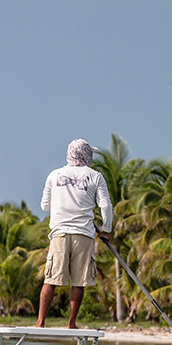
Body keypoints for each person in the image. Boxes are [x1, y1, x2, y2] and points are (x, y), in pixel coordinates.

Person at [37, 138, 114, 329]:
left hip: (59, 234)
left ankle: (40, 323)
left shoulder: (54, 175)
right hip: (84, 234)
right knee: (79, 282)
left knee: (51, 279)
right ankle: (71, 324)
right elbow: (105, 205)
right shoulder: (96, 176)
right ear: (86, 155)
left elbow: (44, 205)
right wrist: (106, 230)